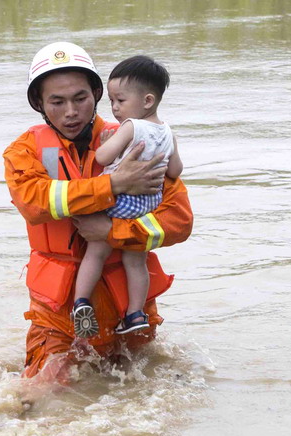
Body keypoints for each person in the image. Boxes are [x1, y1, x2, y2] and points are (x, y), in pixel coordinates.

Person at [3, 42, 193, 383]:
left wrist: (112, 232)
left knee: (140, 402)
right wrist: (113, 185)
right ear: (40, 105)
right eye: (57, 102)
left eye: (80, 98)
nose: (71, 111)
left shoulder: (138, 137)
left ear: (97, 94)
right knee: (39, 395)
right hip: (59, 316)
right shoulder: (23, 150)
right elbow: (33, 202)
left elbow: (178, 221)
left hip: (130, 312)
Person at [72, 55, 184, 339]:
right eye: (111, 101)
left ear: (147, 101)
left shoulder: (132, 127)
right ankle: (135, 313)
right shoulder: (168, 131)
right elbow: (175, 169)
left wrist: (109, 144)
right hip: (147, 205)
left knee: (96, 252)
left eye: (120, 100)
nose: (114, 108)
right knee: (136, 262)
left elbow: (103, 156)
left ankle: (80, 302)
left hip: (120, 201)